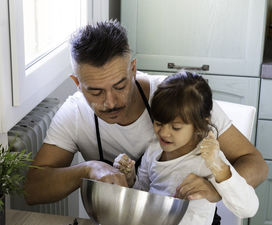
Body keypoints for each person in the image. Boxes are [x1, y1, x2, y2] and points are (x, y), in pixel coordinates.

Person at [24, 20, 267, 214]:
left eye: (120, 86)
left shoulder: (181, 98)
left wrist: (215, 188)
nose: (110, 102)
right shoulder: (74, 114)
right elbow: (32, 190)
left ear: (132, 69)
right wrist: (87, 170)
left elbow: (255, 163)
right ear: (77, 84)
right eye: (95, 91)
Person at [114, 71, 259, 225]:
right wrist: (129, 178)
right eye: (158, 123)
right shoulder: (153, 149)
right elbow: (142, 193)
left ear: (199, 125)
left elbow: (248, 209)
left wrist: (219, 168)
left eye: (175, 127)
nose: (164, 133)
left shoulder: (208, 158)